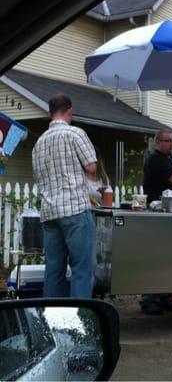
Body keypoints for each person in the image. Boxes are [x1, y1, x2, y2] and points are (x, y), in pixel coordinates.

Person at [32, 93, 97, 298]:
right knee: (82, 268)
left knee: (53, 270)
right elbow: (91, 167)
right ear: (70, 110)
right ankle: (81, 321)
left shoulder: (38, 143)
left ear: (50, 113)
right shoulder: (74, 133)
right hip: (74, 209)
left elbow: (38, 177)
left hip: (50, 212)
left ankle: (52, 322)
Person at [139, 129, 172, 315]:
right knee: (155, 258)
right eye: (168, 140)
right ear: (158, 142)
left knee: (167, 257)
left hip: (166, 214)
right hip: (156, 214)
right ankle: (148, 299)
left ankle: (163, 295)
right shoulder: (156, 159)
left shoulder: (168, 159)